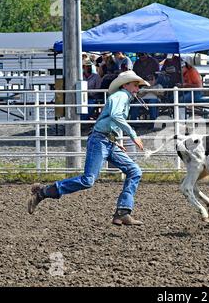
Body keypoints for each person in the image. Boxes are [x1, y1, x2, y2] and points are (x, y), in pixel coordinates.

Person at [28, 71, 150, 226]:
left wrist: (116, 140)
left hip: (107, 141)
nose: (137, 89)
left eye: (138, 86)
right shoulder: (122, 96)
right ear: (125, 85)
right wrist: (133, 135)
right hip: (101, 140)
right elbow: (116, 116)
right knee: (89, 180)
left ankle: (123, 211)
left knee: (134, 171)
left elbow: (108, 119)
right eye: (135, 85)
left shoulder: (121, 97)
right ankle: (43, 192)